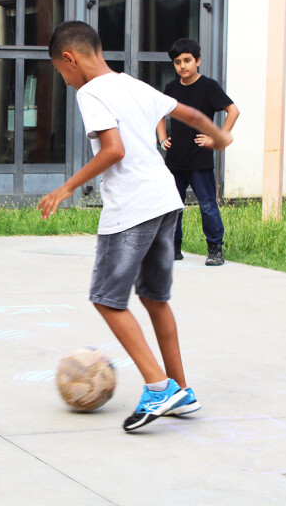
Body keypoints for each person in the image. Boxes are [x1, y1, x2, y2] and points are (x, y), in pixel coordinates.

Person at [38, 21, 232, 432]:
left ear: (70, 59)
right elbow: (194, 114)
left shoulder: (90, 92)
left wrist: (68, 187)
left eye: (61, 72)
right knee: (155, 299)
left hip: (132, 208)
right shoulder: (133, 84)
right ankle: (182, 389)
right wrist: (220, 138)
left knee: (108, 298)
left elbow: (113, 149)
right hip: (165, 201)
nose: (65, 80)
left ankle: (159, 388)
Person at [157, 38, 240, 265]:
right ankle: (172, 248)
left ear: (198, 61)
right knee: (173, 207)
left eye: (187, 60)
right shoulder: (171, 88)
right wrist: (162, 139)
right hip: (175, 160)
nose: (182, 66)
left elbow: (233, 111)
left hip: (200, 160)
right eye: (177, 62)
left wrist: (217, 137)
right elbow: (160, 115)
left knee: (207, 205)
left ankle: (215, 250)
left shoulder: (209, 86)